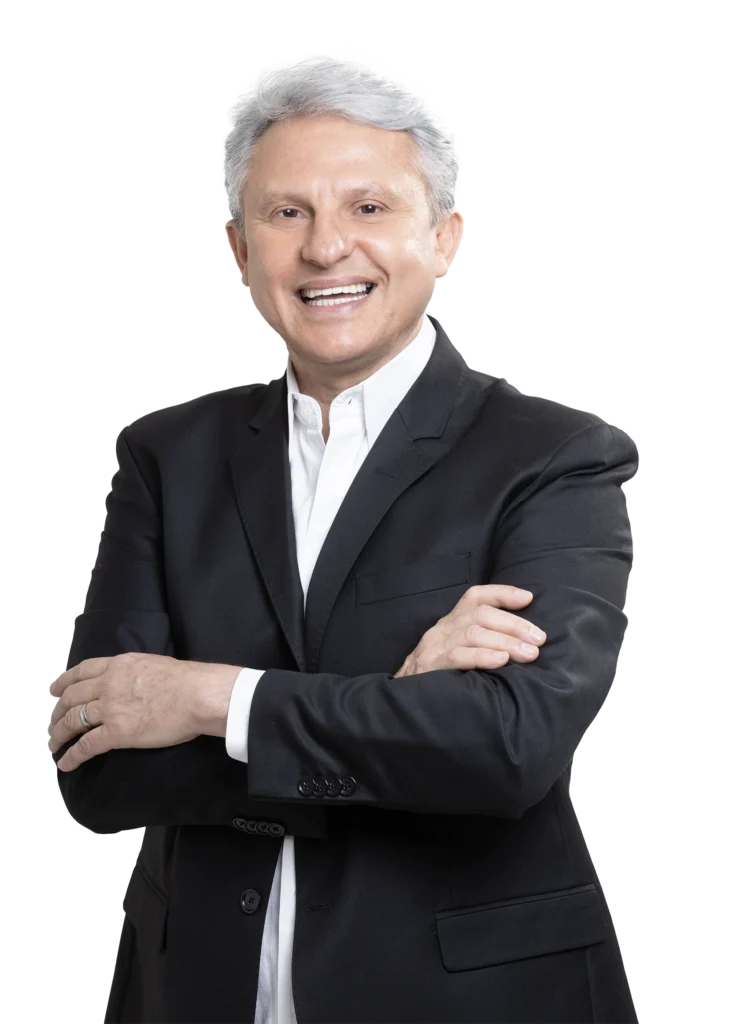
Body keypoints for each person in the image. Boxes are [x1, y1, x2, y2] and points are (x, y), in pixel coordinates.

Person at [49, 56, 638, 1024]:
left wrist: (208, 698)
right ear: (239, 247)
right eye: (287, 212)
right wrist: (400, 704)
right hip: (197, 993)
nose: (326, 248)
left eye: (368, 207)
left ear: (443, 235)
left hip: (472, 1000)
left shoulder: (556, 457)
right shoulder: (166, 455)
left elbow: (506, 749)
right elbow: (101, 770)